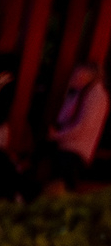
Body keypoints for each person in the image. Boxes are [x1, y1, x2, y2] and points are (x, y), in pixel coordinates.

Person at [42, 62, 109, 192]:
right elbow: (62, 117)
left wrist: (57, 136)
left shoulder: (96, 96)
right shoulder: (81, 93)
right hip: (67, 146)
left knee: (63, 186)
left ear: (87, 75)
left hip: (75, 149)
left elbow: (84, 126)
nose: (73, 77)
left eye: (77, 74)